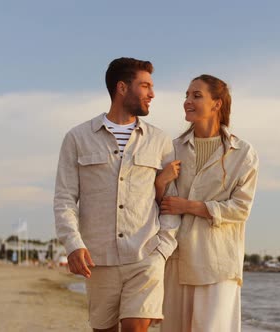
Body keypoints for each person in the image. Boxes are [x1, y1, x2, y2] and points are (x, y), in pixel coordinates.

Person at [54, 57, 180, 332]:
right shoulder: (77, 138)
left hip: (146, 255)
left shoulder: (159, 140)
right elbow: (64, 198)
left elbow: (171, 199)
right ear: (122, 88)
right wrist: (73, 244)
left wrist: (163, 249)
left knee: (136, 328)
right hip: (98, 259)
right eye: (145, 86)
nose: (152, 94)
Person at [156, 74, 259, 332]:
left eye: (196, 95)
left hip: (218, 262)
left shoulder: (243, 154)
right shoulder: (172, 150)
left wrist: (189, 206)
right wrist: (160, 182)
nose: (187, 101)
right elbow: (162, 205)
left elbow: (240, 209)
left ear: (217, 104)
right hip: (177, 259)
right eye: (187, 95)